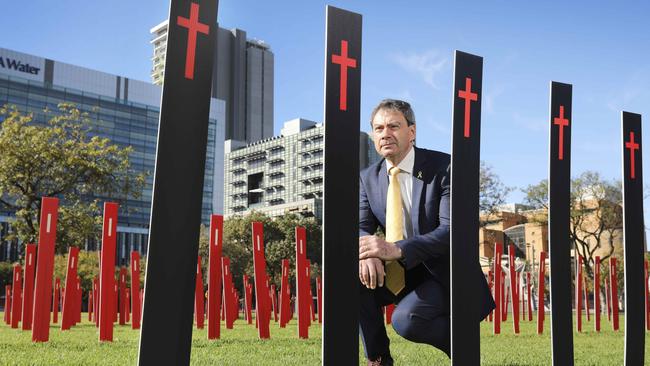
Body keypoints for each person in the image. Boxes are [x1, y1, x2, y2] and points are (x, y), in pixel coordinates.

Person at [357, 99, 495, 365]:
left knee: (406, 320)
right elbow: (362, 225)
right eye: (378, 128)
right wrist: (367, 253)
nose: (385, 133)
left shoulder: (445, 167)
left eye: (394, 126)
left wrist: (396, 249)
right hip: (401, 272)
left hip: (446, 273)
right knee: (351, 279)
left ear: (412, 131)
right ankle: (378, 359)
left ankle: (463, 347)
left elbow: (452, 230)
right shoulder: (368, 178)